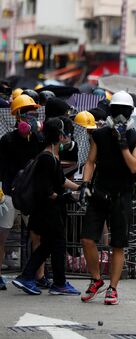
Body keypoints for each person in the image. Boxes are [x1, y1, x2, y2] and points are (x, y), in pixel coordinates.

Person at [79, 91, 136, 305]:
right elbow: (90, 162)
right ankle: (96, 279)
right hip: (99, 194)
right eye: (116, 111)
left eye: (123, 112)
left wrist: (123, 142)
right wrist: (85, 185)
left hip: (122, 197)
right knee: (87, 239)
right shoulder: (99, 135)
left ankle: (113, 288)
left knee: (118, 244)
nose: (119, 116)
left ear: (130, 113)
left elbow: (134, 167)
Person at [12, 117, 81, 295]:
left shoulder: (52, 157)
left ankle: (55, 282)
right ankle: (32, 278)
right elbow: (46, 191)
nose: (67, 137)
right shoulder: (47, 159)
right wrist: (66, 198)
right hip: (46, 211)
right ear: (59, 136)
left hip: (50, 210)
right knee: (52, 243)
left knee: (52, 244)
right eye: (65, 133)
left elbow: (61, 179)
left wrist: (81, 187)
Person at [0, 94, 43, 291]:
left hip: (29, 195)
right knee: (2, 235)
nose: (30, 118)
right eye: (26, 114)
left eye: (33, 114)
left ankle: (38, 275)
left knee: (37, 236)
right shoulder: (7, 140)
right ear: (17, 117)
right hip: (9, 192)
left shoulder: (38, 139)